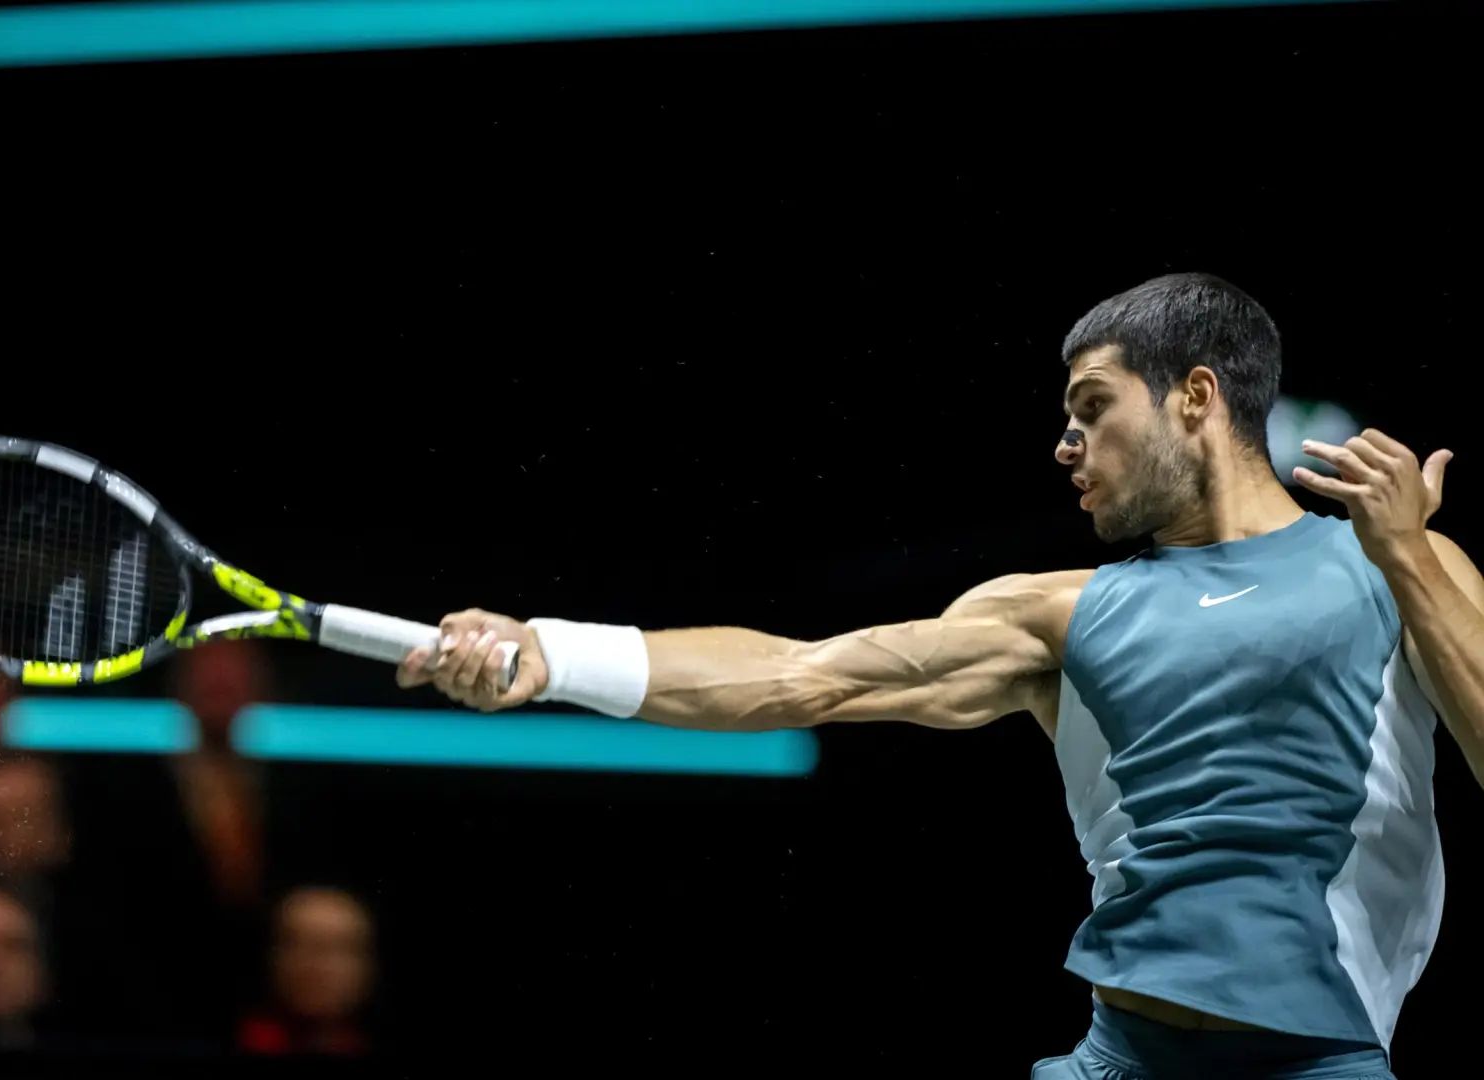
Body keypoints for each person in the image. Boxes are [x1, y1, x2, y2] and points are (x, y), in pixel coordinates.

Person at [395, 273, 1483, 1080]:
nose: (1065, 445)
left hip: (1324, 1060)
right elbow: (798, 677)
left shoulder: (1393, 567)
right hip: (1119, 1055)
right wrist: (551, 654)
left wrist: (1406, 559)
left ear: (1196, 398)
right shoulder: (1057, 613)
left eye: (1091, 406)